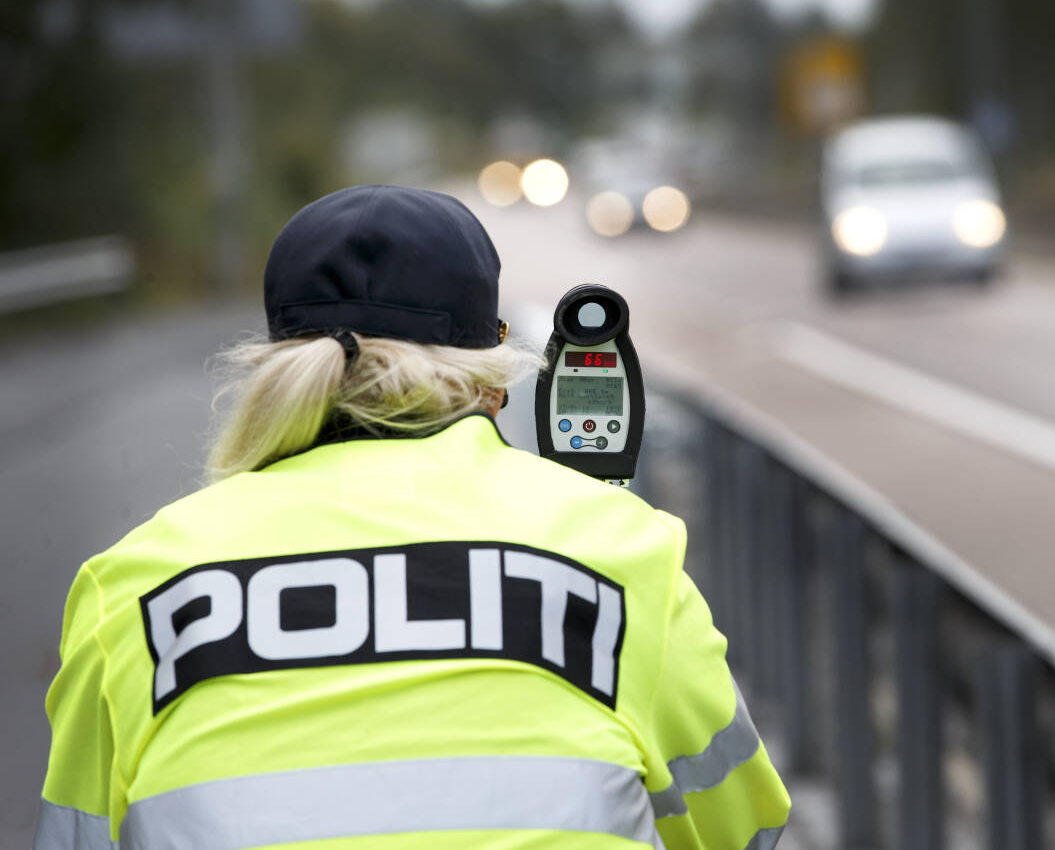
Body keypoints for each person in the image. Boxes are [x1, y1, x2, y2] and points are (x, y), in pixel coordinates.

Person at [35, 185, 790, 850]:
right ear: (492, 367)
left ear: (276, 363)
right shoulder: (618, 550)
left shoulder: (130, 585)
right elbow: (744, 829)